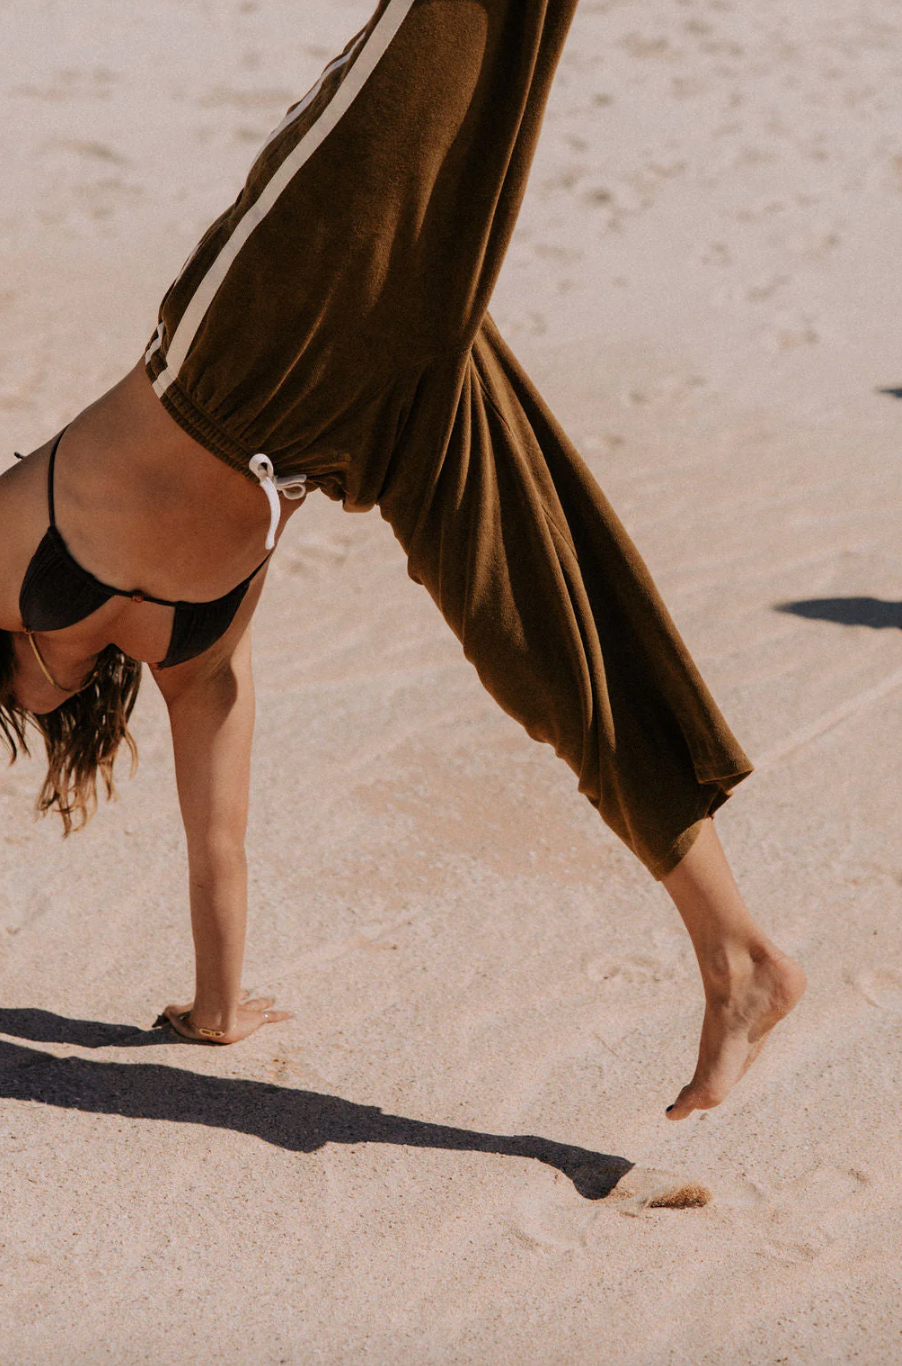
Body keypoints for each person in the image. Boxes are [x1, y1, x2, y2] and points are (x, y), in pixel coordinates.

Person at [0, 0, 805, 1119]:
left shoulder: (30, 563)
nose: (30, 708)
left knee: (448, 24)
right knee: (551, 647)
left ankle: (733, 953)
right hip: (369, 426)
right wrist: (216, 1012)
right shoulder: (194, 662)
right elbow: (216, 847)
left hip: (257, 337)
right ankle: (739, 956)